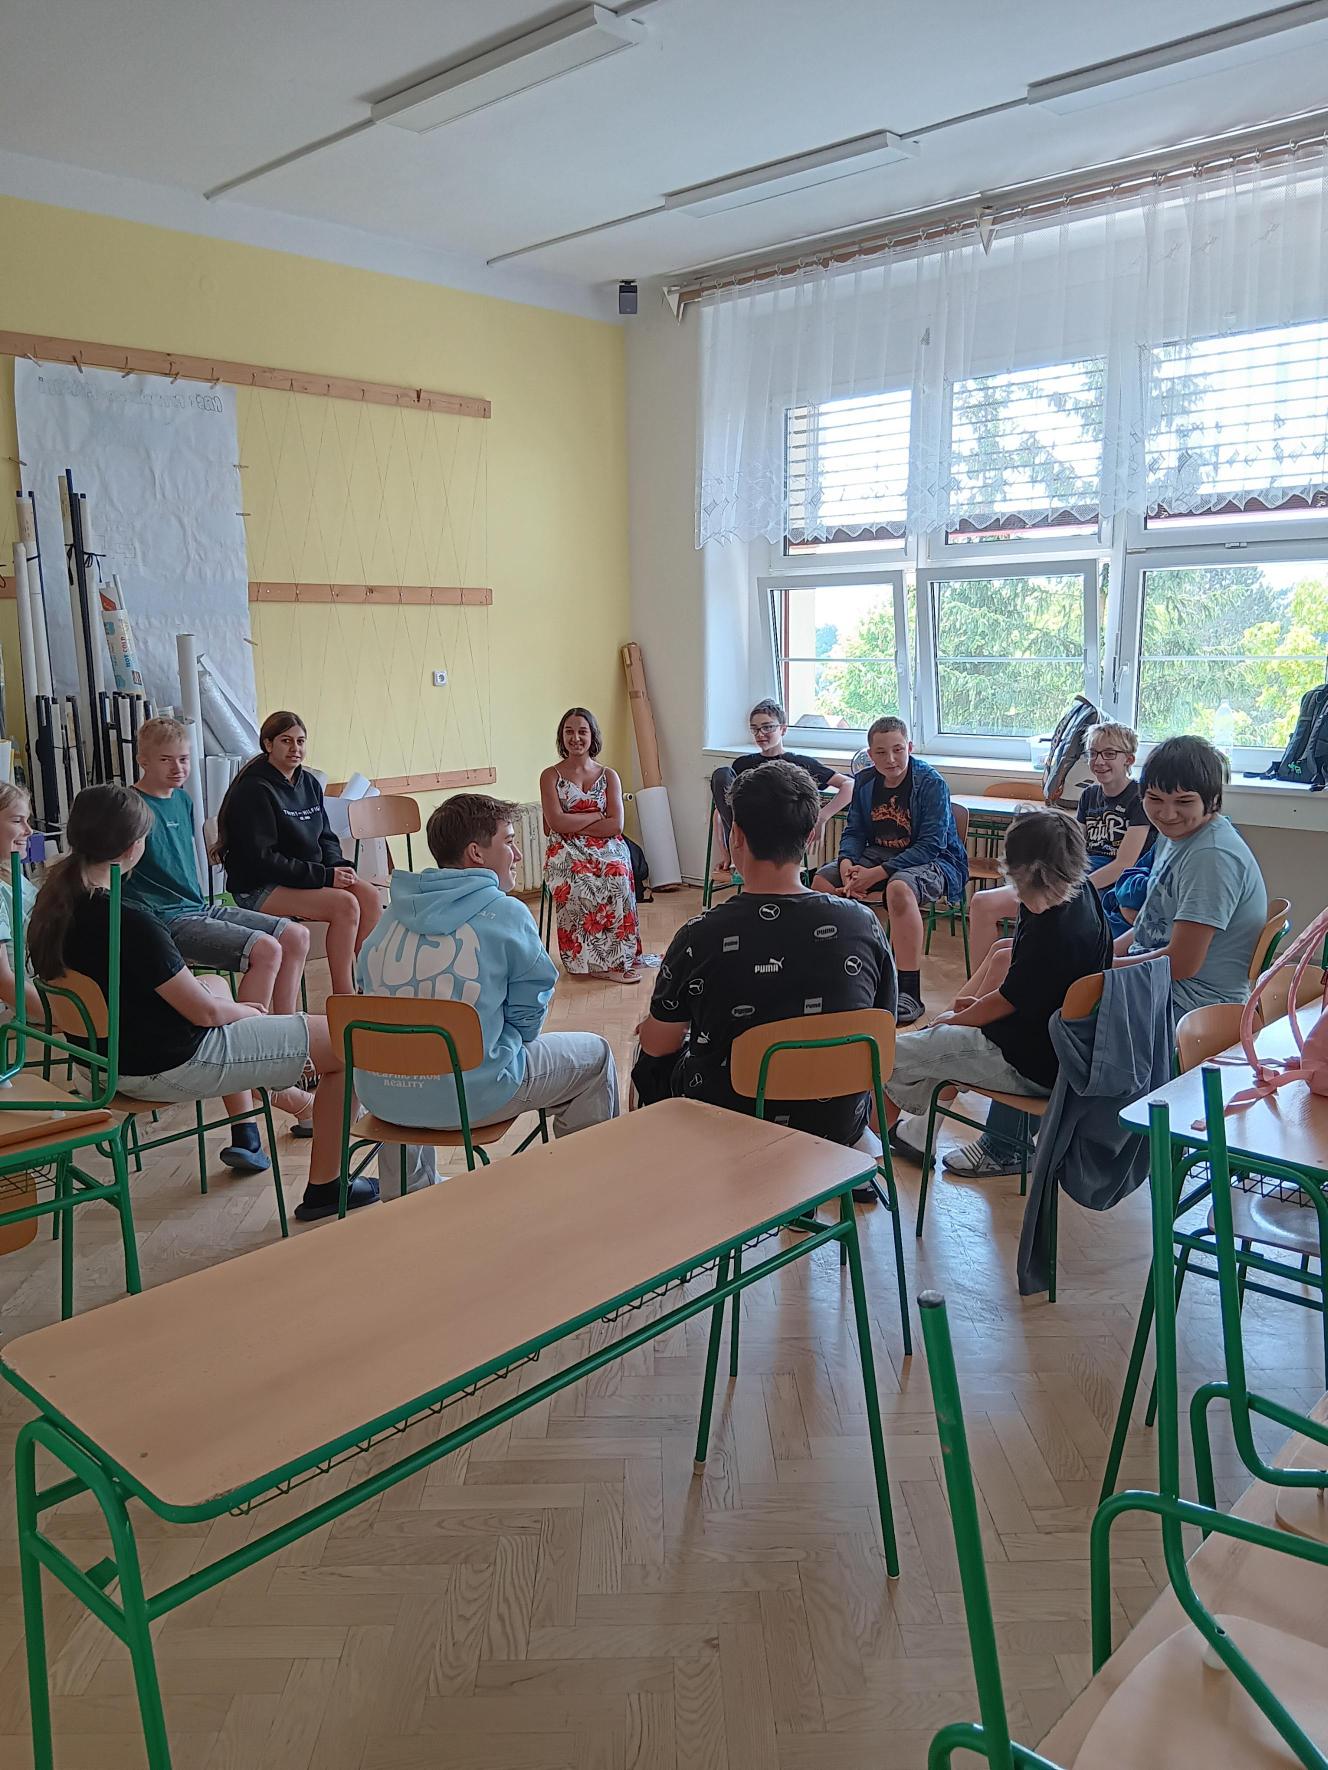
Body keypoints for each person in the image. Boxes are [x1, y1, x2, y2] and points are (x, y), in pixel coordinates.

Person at [26, 784, 376, 1223]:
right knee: (350, 1039)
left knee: (214, 985)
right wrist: (249, 1013)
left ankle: (258, 1118)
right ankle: (327, 1185)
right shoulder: (131, 922)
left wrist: (231, 1008)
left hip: (101, 1063)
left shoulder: (51, 911)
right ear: (134, 848)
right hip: (167, 1063)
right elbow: (205, 1014)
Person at [634, 760, 896, 1194]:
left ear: (736, 836)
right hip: (835, 1123)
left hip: (729, 1120)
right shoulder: (863, 924)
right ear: (811, 837)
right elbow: (884, 1021)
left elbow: (659, 1045)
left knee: (647, 1050)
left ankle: (673, 1193)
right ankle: (828, 1181)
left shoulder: (700, 936)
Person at [355, 792, 618, 1179]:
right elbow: (531, 1009)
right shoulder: (507, 912)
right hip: (473, 1097)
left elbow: (366, 988)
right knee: (595, 1057)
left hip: (383, 1094)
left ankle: (407, 1198)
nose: (518, 854)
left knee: (407, 1056)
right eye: (509, 841)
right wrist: (507, 1039)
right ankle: (584, 1183)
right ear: (476, 853)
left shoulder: (392, 914)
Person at [122, 716, 314, 1161]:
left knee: (296, 935)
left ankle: (282, 1046)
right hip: (164, 919)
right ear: (143, 759)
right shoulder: (132, 807)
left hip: (197, 905)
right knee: (266, 950)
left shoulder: (184, 800)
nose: (178, 768)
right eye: (167, 760)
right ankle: (264, 1064)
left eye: (184, 759)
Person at [883, 811, 1114, 1161]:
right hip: (1054, 1047)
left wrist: (956, 1020)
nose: (1017, 890)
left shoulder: (1054, 932)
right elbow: (1023, 987)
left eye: (1017, 880)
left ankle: (859, 1153)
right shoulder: (1080, 893)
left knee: (889, 1054)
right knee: (935, 1044)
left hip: (1029, 1063)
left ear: (1033, 872)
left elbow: (1007, 1000)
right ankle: (916, 1135)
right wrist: (971, 1011)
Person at [212, 710, 381, 996]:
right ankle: (345, 996)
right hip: (260, 885)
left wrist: (338, 867)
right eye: (286, 741)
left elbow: (326, 836)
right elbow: (263, 861)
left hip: (302, 878)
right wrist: (325, 877)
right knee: (345, 905)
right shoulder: (254, 790)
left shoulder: (309, 783)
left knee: (369, 895)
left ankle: (365, 984)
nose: (295, 748)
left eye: (300, 741)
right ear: (268, 744)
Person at [811, 715, 967, 1026]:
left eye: (898, 750)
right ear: (871, 755)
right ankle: (845, 971)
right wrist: (846, 864)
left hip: (935, 859)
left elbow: (931, 844)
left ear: (910, 747)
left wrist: (877, 874)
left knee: (898, 889)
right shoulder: (865, 781)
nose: (891, 759)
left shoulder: (931, 783)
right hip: (879, 854)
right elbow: (854, 831)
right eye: (881, 752)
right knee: (820, 883)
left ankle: (909, 991)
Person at [968, 721, 1152, 966]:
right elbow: (1073, 849)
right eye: (1093, 753)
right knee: (982, 903)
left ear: (1129, 759)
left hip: (1106, 887)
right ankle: (984, 983)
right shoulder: (1089, 795)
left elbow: (1123, 864)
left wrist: (1073, 888)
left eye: (1109, 754)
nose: (1099, 761)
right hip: (1075, 876)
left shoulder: (1139, 798)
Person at [1112, 734, 1267, 1017]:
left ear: (1213, 800)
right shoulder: (1176, 835)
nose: (1167, 813)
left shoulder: (1212, 856)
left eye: (1184, 801)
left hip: (1193, 1001)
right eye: (1154, 799)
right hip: (1165, 981)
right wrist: (1105, 954)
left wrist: (1103, 969)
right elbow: (1152, 924)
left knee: (1057, 1006)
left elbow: (1182, 964)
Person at [541, 707, 642, 983]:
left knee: (617, 874)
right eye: (569, 732)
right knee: (577, 880)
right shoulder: (550, 776)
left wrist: (573, 822)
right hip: (564, 847)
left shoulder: (609, 775)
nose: (575, 738)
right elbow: (555, 823)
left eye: (582, 732)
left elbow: (615, 825)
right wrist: (595, 816)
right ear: (561, 737)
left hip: (606, 844)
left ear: (592, 735)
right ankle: (584, 962)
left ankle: (616, 960)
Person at [708, 699, 852, 879]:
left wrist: (821, 817)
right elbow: (720, 812)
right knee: (722, 774)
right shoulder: (742, 764)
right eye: (755, 729)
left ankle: (751, 853)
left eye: (767, 727)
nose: (760, 734)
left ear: (783, 729)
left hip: (780, 839)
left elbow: (849, 785)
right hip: (744, 834)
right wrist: (726, 854)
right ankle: (741, 850)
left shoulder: (799, 762)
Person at [0, 781, 43, 1023]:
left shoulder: (12, 872)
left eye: (28, 820)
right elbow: (5, 981)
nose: (29, 831)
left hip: (48, 986)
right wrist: (59, 1015)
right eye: (17, 821)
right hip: (31, 998)